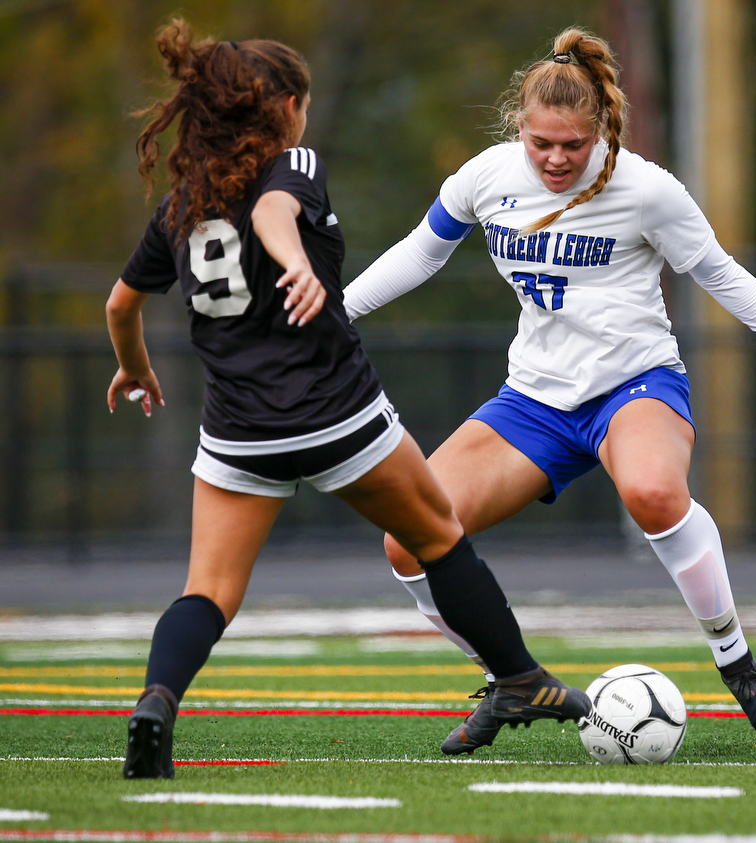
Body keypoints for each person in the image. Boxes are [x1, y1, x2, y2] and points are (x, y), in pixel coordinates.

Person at [343, 27, 756, 755]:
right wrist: (331, 312)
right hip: (531, 401)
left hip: (635, 384)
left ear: (601, 131)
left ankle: (739, 666)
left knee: (655, 494)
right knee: (406, 540)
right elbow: (420, 252)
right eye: (541, 143)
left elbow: (718, 271)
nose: (556, 159)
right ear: (518, 130)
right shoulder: (485, 177)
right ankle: (510, 680)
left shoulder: (646, 188)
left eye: (573, 145)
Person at [108, 19, 590, 780]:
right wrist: (296, 264)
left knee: (208, 589)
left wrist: (133, 369)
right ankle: (522, 677)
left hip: (238, 431)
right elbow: (273, 215)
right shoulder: (292, 161)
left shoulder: (182, 203)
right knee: (437, 530)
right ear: (287, 107)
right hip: (335, 413)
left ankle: (156, 701)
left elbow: (120, 305)